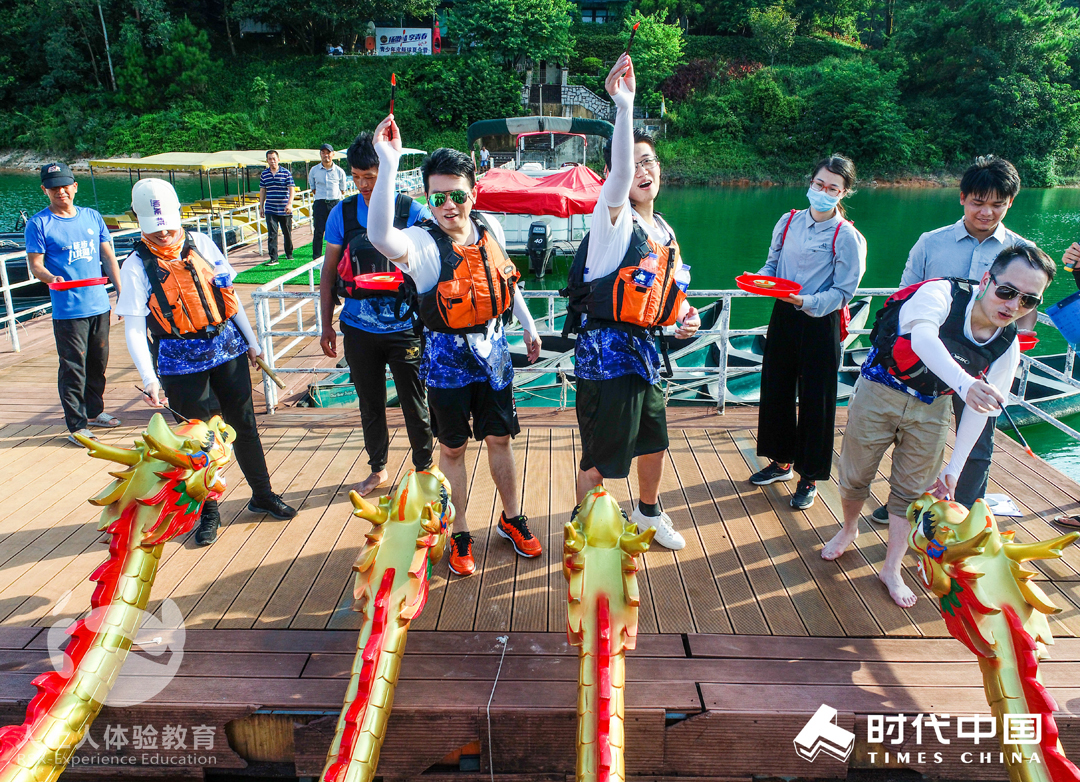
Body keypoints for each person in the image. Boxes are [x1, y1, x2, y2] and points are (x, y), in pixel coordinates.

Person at [824, 245, 1055, 607]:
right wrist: (966, 384)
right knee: (855, 475)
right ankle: (849, 528)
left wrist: (955, 468)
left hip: (933, 405)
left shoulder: (1006, 344)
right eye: (1007, 291)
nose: (1013, 305)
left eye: (1028, 300)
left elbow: (983, 409)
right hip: (881, 390)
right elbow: (923, 339)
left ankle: (891, 568)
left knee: (912, 491)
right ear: (986, 280)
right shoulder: (941, 294)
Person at [366, 114, 543, 578]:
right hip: (446, 359)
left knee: (501, 438)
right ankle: (460, 529)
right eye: (438, 197)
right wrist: (388, 162)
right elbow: (379, 236)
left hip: (495, 352)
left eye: (458, 195)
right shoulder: (421, 244)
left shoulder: (490, 227)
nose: (449, 206)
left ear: (473, 194)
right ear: (428, 199)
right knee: (453, 448)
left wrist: (528, 327)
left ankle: (511, 517)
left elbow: (506, 281)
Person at [564, 54, 700, 550]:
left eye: (650, 162)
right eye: (634, 162)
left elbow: (671, 291)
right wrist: (625, 106)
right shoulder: (612, 221)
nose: (643, 170)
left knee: (654, 441)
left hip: (645, 352)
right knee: (599, 459)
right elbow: (620, 175)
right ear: (612, 174)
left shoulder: (663, 229)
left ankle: (648, 513)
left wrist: (684, 317)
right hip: (605, 357)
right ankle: (586, 534)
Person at [115, 178, 296, 546]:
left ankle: (262, 494)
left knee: (244, 425)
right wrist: (149, 378)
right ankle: (208, 511)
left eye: (168, 226)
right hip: (179, 362)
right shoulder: (135, 265)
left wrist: (252, 342)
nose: (163, 233)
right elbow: (133, 327)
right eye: (155, 228)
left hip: (226, 347)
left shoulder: (201, 243)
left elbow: (229, 295)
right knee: (198, 442)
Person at [871, 155, 1028, 520]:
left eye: (997, 204)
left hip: (983, 361)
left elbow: (1025, 310)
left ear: (1010, 203)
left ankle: (964, 514)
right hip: (928, 359)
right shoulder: (931, 243)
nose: (986, 212)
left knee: (978, 442)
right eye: (978, 202)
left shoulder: (1022, 252)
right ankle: (905, 503)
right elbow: (905, 299)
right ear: (962, 198)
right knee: (914, 432)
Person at [319, 132, 434, 496]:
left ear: (386, 171)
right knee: (370, 404)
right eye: (356, 177)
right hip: (357, 328)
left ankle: (424, 469)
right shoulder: (342, 213)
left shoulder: (411, 211)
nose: (364, 185)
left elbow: (432, 267)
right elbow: (329, 271)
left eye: (370, 176)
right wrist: (326, 325)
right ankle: (377, 469)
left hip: (405, 327)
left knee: (415, 402)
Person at [749, 156, 867, 510]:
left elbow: (844, 292)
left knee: (817, 400)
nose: (823, 192)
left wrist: (807, 301)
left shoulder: (847, 236)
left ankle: (810, 476)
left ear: (844, 192)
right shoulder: (788, 222)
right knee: (777, 388)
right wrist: (759, 280)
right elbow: (772, 265)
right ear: (810, 182)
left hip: (820, 320)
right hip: (784, 314)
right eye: (819, 184)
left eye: (833, 188)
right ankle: (781, 461)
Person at [25, 161, 123, 444]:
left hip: (99, 304)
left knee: (97, 363)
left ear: (75, 187)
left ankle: (94, 412)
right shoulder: (39, 223)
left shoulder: (92, 217)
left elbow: (108, 257)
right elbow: (36, 265)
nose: (61, 192)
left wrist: (121, 291)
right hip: (68, 309)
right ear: (45, 190)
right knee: (73, 367)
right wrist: (50, 277)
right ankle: (77, 426)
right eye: (54, 188)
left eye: (65, 186)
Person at [308, 143, 348, 262]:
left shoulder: (339, 171)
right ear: (320, 154)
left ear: (333, 154)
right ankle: (316, 258)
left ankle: (341, 257)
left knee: (338, 230)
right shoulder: (314, 170)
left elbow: (343, 189)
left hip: (334, 203)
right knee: (318, 231)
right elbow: (313, 188)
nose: (326, 155)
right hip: (320, 203)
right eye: (323, 153)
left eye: (328, 153)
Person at [259, 150, 296, 267]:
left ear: (278, 159)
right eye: (270, 159)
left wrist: (290, 203)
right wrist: (261, 206)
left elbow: (291, 189)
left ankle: (289, 253)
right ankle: (273, 258)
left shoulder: (286, 173)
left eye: (274, 158)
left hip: (284, 208)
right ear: (267, 160)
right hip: (271, 208)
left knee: (287, 233)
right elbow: (262, 190)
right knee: (272, 234)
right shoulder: (264, 174)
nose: (272, 161)